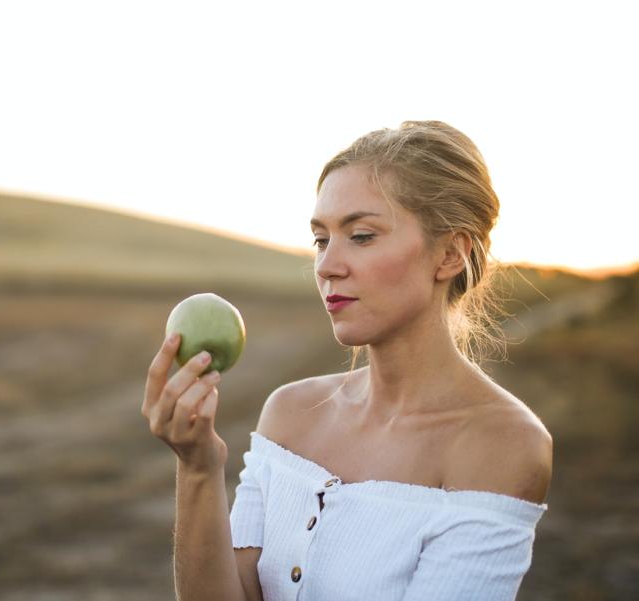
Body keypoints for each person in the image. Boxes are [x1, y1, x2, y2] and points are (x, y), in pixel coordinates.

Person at [141, 120, 553, 601]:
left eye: (360, 235)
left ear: (450, 254)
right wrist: (198, 469)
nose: (327, 265)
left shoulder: (502, 445)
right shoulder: (289, 414)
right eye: (321, 239)